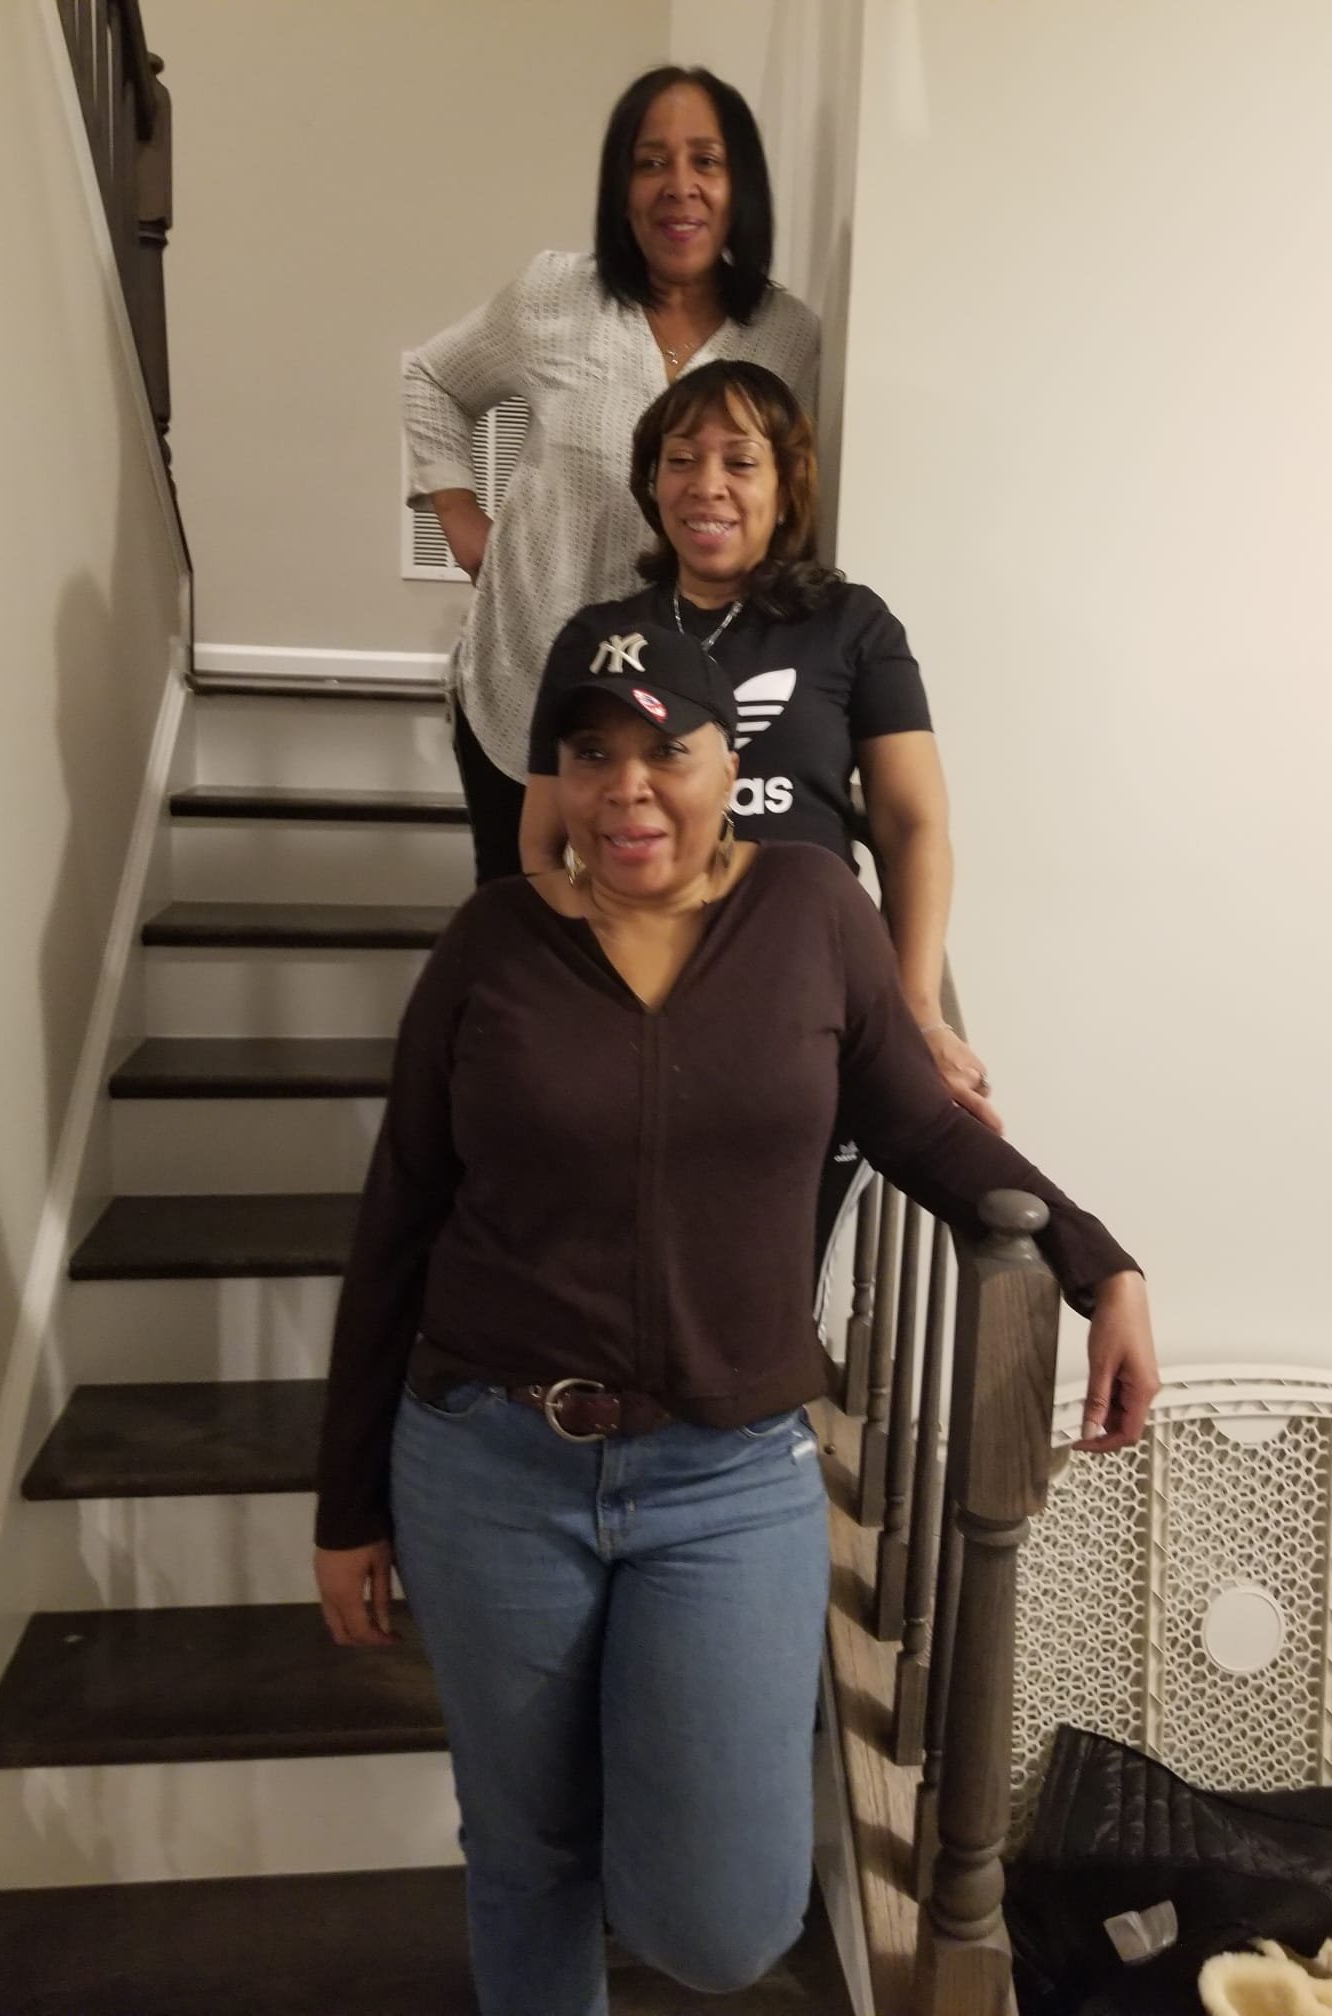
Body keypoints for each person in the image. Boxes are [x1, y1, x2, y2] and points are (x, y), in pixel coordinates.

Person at [313, 624, 1161, 2016]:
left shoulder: (812, 910)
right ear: (556, 777)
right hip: (486, 1464)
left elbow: (920, 1127)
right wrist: (349, 1502)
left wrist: (1095, 1261)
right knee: (524, 1853)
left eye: (668, 751)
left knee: (723, 1923)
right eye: (592, 754)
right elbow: (397, 1215)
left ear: (730, 763)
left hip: (727, 1475)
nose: (628, 789)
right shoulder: (492, 943)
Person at [520, 358, 995, 1297]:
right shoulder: (595, 638)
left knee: (766, 1279)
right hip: (637, 997)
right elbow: (541, 844)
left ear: (786, 487)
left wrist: (914, 1012)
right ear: (651, 481)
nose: (707, 485)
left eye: (740, 461)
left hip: (803, 999)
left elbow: (912, 827)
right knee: (617, 1265)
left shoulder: (851, 625)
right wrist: (579, 981)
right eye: (681, 459)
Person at [403, 66, 818, 884]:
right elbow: (432, 378)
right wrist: (459, 517)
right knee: (527, 921)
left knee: (654, 931)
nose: (679, 186)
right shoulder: (555, 295)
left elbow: (787, 502)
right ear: (621, 189)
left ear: (741, 185)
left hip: (680, 713)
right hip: (524, 684)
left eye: (706, 161)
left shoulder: (789, 337)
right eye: (650, 162)